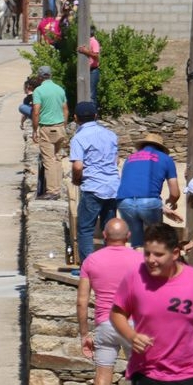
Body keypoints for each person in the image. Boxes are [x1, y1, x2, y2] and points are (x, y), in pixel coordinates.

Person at [111, 223, 193, 385]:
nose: (150, 260)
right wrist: (131, 336)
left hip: (189, 375)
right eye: (147, 253)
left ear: (175, 253)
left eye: (158, 255)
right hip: (146, 374)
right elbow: (117, 313)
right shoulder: (134, 276)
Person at [76, 218, 143, 385]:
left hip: (105, 324)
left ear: (104, 235)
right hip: (134, 325)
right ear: (128, 236)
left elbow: (82, 302)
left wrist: (84, 334)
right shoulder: (141, 260)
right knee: (142, 377)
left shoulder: (91, 261)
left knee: (102, 378)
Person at [69, 101, 120, 264]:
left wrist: (76, 179)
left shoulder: (78, 138)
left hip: (92, 187)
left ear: (75, 118)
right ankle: (109, 264)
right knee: (109, 229)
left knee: (85, 229)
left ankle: (89, 266)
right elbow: (116, 160)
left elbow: (78, 166)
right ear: (96, 116)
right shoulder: (110, 135)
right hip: (112, 187)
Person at [116, 133, 181, 248]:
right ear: (161, 148)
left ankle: (138, 263)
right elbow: (175, 193)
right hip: (149, 202)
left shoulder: (129, 158)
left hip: (124, 202)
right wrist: (171, 203)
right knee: (156, 240)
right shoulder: (166, 159)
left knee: (137, 243)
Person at [31, 65, 68, 200]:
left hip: (47, 127)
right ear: (50, 75)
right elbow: (65, 109)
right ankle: (58, 187)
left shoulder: (38, 91)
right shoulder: (60, 90)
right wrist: (63, 125)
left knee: (48, 160)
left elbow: (36, 111)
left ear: (40, 77)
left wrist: (35, 130)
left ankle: (52, 191)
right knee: (57, 158)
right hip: (60, 127)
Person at [77, 26, 101, 107]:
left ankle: (93, 114)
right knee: (84, 92)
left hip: (93, 71)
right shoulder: (85, 41)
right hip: (85, 70)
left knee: (91, 94)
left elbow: (96, 55)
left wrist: (86, 51)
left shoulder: (94, 42)